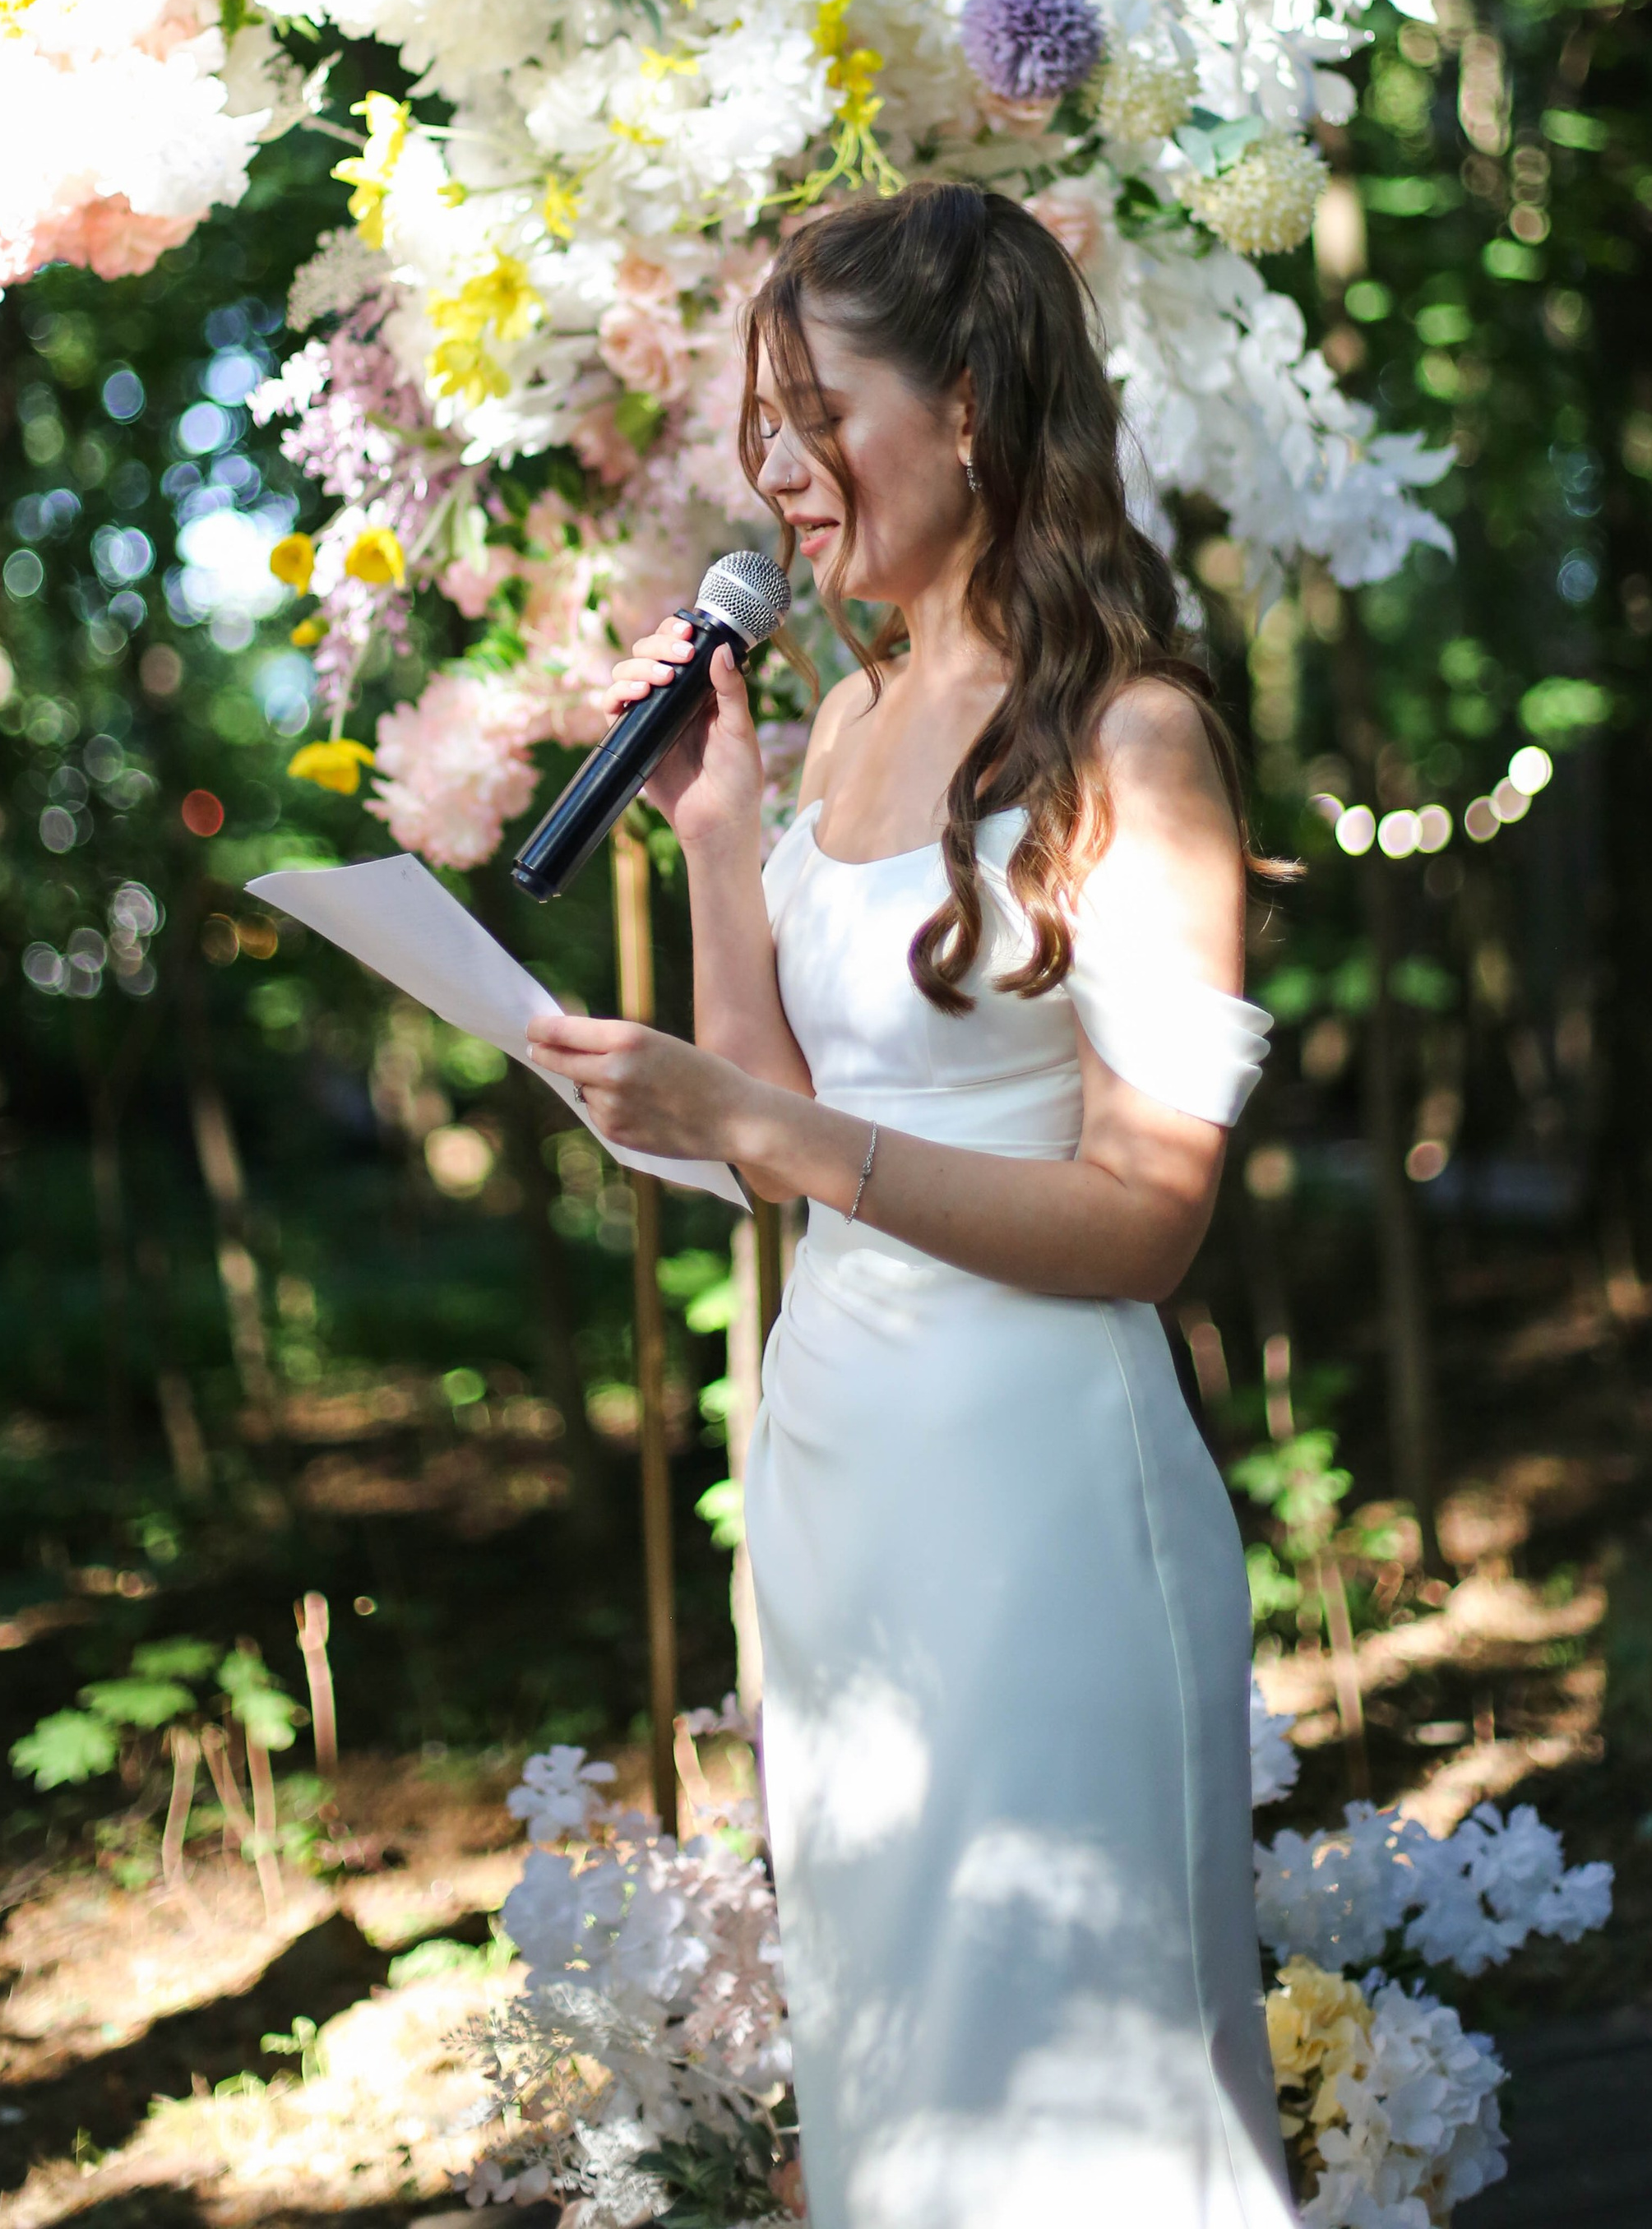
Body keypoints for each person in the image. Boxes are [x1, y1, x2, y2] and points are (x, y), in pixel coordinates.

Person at [526, 182, 1295, 2229]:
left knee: (1067, 2074)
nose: (778, 475)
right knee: (895, 2077)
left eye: (817, 416)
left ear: (965, 405)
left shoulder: (1133, 735)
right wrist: (716, 836)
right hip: (835, 1464)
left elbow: (1143, 1218)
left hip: (1038, 1490)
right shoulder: (850, 717)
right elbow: (766, 1121)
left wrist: (779, 1143)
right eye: (760, 430)